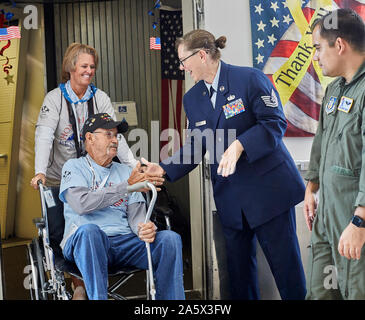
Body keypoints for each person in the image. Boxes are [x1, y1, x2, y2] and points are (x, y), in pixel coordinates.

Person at [142, 29, 306, 299]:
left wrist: (240, 145)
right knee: (239, 279)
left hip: (269, 193)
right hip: (231, 201)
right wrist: (163, 168)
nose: (182, 67)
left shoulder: (249, 79)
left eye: (184, 60)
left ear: (202, 55)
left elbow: (275, 123)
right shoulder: (192, 99)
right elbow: (197, 145)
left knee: (287, 272)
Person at [30, 43, 137, 299]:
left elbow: (115, 138)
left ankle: (85, 285)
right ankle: (80, 285)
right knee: (66, 230)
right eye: (84, 66)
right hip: (61, 175)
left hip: (98, 171)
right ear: (71, 68)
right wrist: (40, 171)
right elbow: (44, 135)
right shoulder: (55, 99)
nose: (89, 71)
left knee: (96, 221)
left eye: (92, 67)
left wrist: (134, 167)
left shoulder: (100, 98)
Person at [59, 113, 185, 300]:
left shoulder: (126, 171)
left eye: (116, 135)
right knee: (90, 232)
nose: (115, 140)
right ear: (90, 138)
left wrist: (144, 228)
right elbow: (81, 204)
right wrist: (126, 186)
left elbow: (136, 216)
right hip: (86, 243)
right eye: (108, 134)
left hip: (124, 242)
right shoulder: (73, 167)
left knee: (169, 239)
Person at [303, 9, 365, 300]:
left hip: (353, 217)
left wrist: (359, 220)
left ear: (339, 45)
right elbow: (321, 141)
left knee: (356, 291)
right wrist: (310, 187)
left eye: (317, 47)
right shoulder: (333, 90)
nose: (315, 56)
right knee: (320, 293)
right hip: (327, 215)